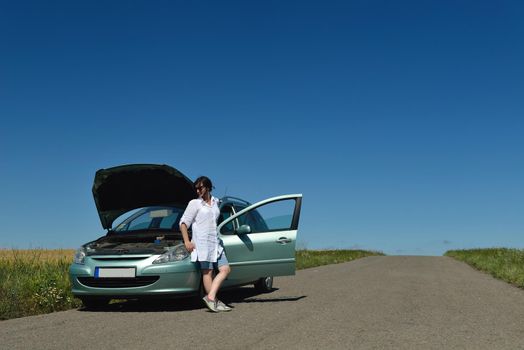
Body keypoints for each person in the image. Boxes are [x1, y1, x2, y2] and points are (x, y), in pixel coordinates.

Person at [179, 176, 232, 312]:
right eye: (196, 188)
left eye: (200, 188)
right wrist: (186, 241)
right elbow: (184, 223)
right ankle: (213, 301)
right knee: (207, 272)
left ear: (208, 187)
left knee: (225, 269)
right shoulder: (194, 204)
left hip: (215, 243)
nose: (198, 191)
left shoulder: (216, 202)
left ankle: (211, 298)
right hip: (202, 244)